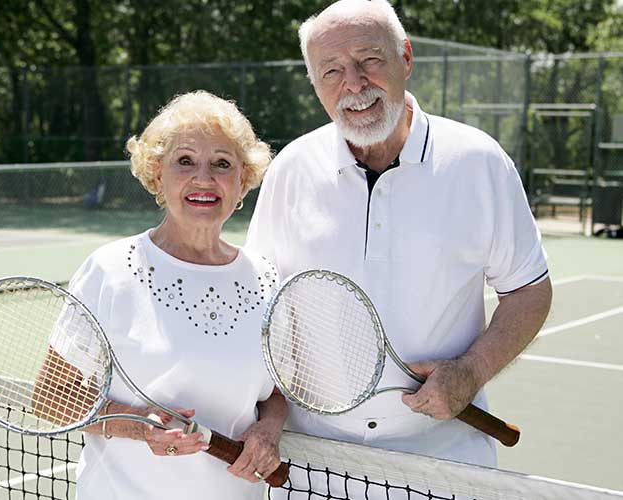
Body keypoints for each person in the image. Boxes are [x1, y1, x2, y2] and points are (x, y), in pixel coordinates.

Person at [246, 0, 552, 471]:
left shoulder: (480, 162)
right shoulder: (290, 170)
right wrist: (266, 419)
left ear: (405, 58)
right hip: (314, 459)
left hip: (446, 458)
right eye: (331, 71)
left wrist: (471, 372)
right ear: (315, 86)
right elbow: (261, 306)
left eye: (370, 59)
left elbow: (529, 290)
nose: (354, 83)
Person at [38, 91, 287, 499]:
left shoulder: (266, 278)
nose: (203, 179)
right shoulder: (110, 269)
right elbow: (51, 396)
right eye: (184, 161)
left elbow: (276, 391)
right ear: (157, 175)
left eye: (222, 164)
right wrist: (136, 424)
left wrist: (269, 430)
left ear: (243, 180)